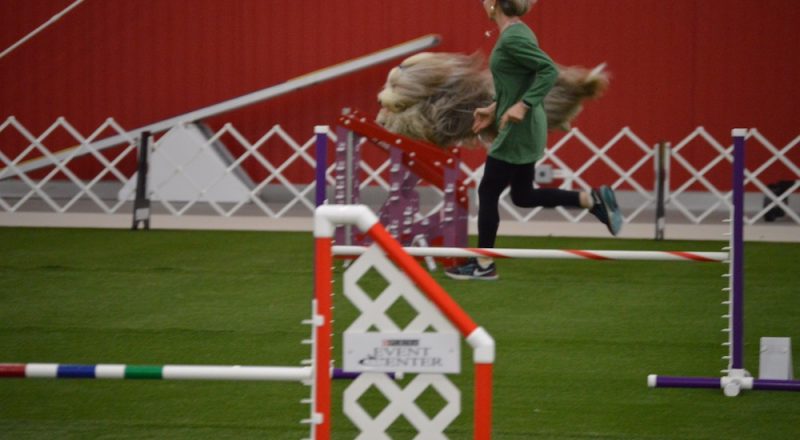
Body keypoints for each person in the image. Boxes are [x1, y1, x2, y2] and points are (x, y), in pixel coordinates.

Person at [445, 0, 622, 281]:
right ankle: (591, 199)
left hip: (520, 127)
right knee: (523, 196)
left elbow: (548, 70)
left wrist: (523, 105)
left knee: (488, 191)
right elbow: (519, 81)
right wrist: (494, 109)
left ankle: (483, 264)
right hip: (523, 125)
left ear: (494, 4)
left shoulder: (513, 37)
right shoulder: (516, 31)